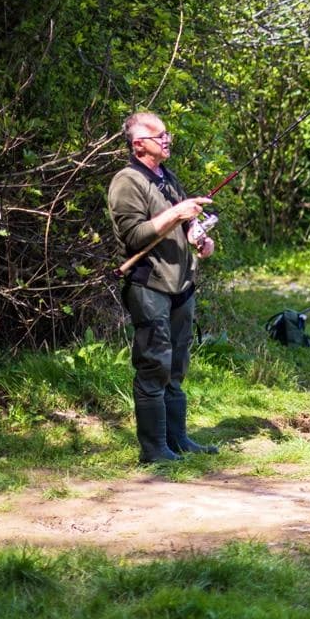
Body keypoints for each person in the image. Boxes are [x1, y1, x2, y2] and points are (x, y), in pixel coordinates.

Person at [107, 111, 218, 463]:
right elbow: (135, 235)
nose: (167, 140)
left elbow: (185, 227)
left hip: (181, 287)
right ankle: (154, 450)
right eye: (160, 136)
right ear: (139, 144)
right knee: (154, 365)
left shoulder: (168, 178)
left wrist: (200, 240)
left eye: (168, 134)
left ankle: (178, 440)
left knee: (176, 367)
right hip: (149, 285)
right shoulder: (127, 181)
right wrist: (176, 214)